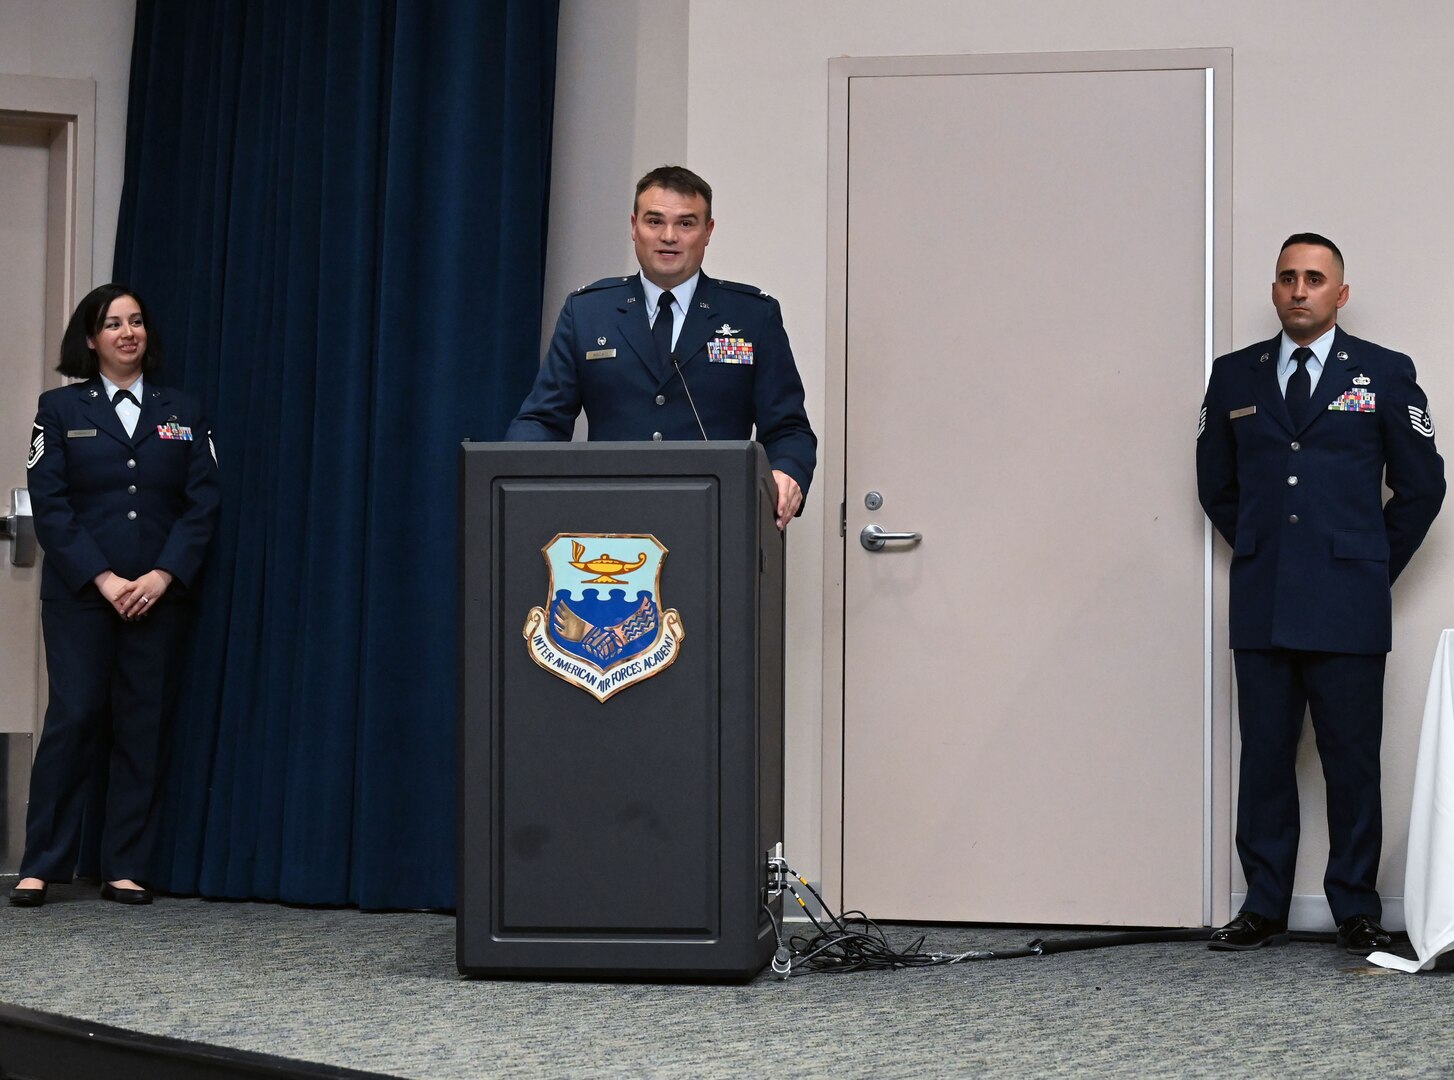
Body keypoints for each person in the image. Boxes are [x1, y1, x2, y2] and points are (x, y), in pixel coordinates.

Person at [1196, 234, 1445, 952]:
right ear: (1274, 291)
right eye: (1287, 278)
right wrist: (1263, 550)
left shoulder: (1384, 373)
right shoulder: (1234, 376)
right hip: (1264, 600)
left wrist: (1368, 563)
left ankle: (1356, 907)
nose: (1298, 290)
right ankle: (1264, 904)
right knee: (1266, 757)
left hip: (1348, 603)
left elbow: (1423, 486)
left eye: (1314, 278)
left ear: (1340, 293)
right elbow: (1216, 484)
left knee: (1351, 759)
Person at [9, 284, 221, 908]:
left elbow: (202, 504)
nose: (128, 332)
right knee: (73, 721)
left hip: (158, 597)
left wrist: (161, 577)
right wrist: (104, 579)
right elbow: (49, 505)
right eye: (113, 324)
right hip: (82, 597)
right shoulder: (59, 409)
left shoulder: (182, 410)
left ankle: (124, 865)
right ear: (92, 338)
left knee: (141, 725)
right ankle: (42, 863)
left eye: (136, 322)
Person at [507, 165, 816, 529]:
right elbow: (543, 420)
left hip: (717, 523)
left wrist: (787, 473)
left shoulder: (752, 316)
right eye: (655, 221)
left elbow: (788, 429)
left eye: (686, 223)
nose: (669, 236)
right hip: (607, 522)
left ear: (708, 232)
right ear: (634, 226)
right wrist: (515, 476)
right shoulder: (589, 312)